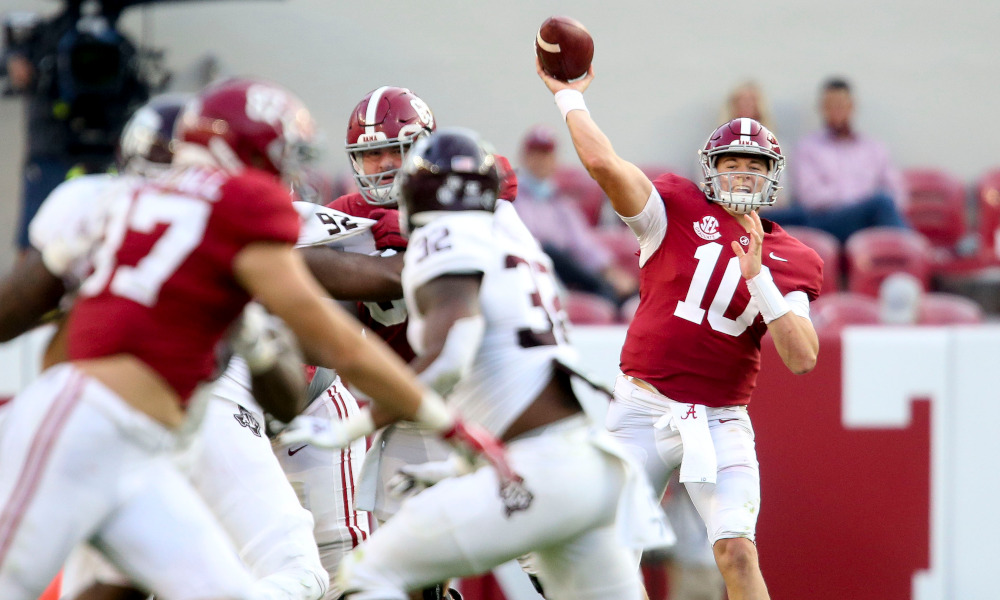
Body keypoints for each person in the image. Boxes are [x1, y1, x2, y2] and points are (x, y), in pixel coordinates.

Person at [0, 77, 513, 600]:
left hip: (153, 443)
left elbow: (16, 308)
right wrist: (445, 421)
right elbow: (341, 342)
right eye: (280, 153)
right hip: (92, 421)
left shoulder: (106, 199)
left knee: (193, 587)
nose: (287, 171)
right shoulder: (238, 206)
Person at [322, 127, 673, 600]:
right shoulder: (515, 237)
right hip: (589, 464)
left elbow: (448, 359)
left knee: (364, 577)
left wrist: (354, 426)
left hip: (536, 469)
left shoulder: (443, 235)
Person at [536, 59, 823, 600]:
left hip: (718, 420)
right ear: (710, 168)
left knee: (736, 552)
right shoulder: (673, 210)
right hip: (641, 410)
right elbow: (603, 164)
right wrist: (569, 97)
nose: (741, 174)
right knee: (611, 561)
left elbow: (803, 357)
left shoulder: (792, 257)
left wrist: (758, 279)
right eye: (732, 162)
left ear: (772, 175)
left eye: (754, 165)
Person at [2, 0, 150, 251]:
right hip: (53, 153)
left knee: (113, 238)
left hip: (109, 152)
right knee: (36, 241)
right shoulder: (44, 37)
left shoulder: (120, 42)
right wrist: (14, 61)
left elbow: (136, 91)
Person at [765, 77, 908, 243]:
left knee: (883, 205)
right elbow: (810, 197)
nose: (836, 111)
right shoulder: (807, 148)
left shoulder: (874, 148)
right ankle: (918, 254)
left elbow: (896, 192)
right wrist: (861, 203)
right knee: (881, 203)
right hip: (827, 221)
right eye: (830, 105)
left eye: (841, 104)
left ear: (852, 106)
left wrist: (864, 207)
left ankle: (908, 255)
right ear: (822, 108)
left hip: (869, 219)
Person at [514, 124, 638, 307]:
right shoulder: (513, 199)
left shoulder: (559, 202)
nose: (541, 160)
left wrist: (609, 270)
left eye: (546, 154)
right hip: (533, 269)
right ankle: (605, 293)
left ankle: (608, 292)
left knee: (572, 262)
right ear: (525, 157)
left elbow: (582, 242)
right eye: (535, 153)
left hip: (564, 270)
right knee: (549, 251)